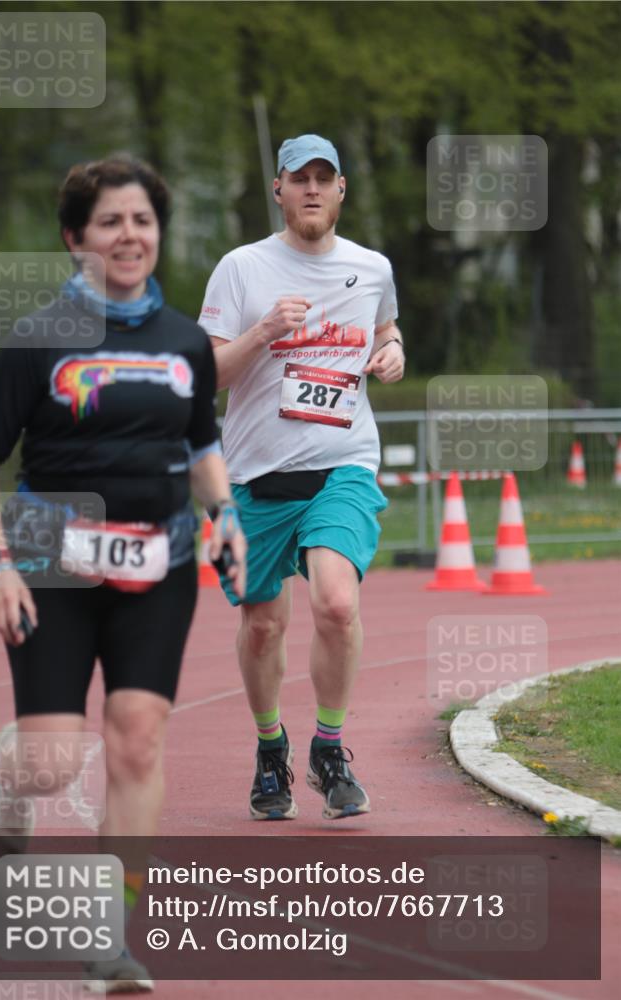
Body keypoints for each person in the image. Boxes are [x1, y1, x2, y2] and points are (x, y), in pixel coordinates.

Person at [0, 154, 245, 992]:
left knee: (136, 739)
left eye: (143, 221)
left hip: (158, 558)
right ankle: (9, 778)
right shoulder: (39, 339)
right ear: (75, 239)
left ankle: (110, 937)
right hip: (51, 557)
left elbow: (200, 442)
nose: (131, 236)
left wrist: (222, 512)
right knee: (53, 763)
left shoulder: (185, 339)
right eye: (112, 222)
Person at [198, 134, 404, 822]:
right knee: (262, 626)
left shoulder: (371, 266)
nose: (311, 189)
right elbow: (207, 379)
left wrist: (393, 351)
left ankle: (329, 746)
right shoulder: (241, 268)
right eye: (299, 178)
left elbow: (385, 329)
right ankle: (268, 749)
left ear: (342, 188)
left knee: (336, 606)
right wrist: (260, 333)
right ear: (278, 191)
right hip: (256, 474)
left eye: (324, 177)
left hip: (341, 464)